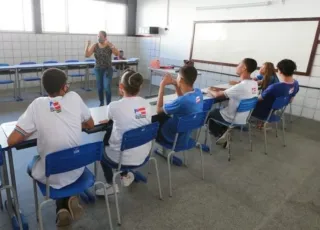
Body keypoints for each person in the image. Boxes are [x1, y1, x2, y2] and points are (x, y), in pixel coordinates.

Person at [7, 68, 94, 227]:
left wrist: (37, 127)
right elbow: (90, 124)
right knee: (63, 161)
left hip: (51, 175)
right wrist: (72, 121)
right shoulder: (74, 98)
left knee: (38, 165)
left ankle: (62, 206)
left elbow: (12, 140)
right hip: (77, 168)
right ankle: (66, 202)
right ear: (64, 87)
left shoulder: (37, 105)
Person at [95, 69, 152, 196]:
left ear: (121, 87)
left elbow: (110, 118)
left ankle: (111, 184)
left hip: (120, 158)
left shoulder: (114, 106)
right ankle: (125, 175)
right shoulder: (146, 104)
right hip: (143, 154)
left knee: (101, 150)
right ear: (140, 87)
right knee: (126, 136)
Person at [206, 58, 259, 147]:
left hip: (232, 118)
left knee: (211, 113)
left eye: (239, 64)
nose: (236, 66)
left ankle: (220, 134)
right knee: (220, 109)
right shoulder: (254, 83)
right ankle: (224, 131)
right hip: (243, 118)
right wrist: (222, 89)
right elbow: (236, 90)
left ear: (244, 68)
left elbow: (218, 95)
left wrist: (209, 90)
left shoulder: (241, 86)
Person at [153, 65, 203, 147]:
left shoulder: (181, 101)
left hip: (172, 136)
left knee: (155, 117)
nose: (177, 79)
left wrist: (162, 85)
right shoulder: (198, 93)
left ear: (182, 80)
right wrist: (176, 85)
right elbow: (183, 99)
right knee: (166, 115)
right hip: (185, 134)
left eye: (178, 77)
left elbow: (158, 109)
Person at [85, 30, 120, 106]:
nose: (99, 38)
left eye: (100, 36)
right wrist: (87, 45)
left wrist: (111, 45)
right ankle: (101, 102)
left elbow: (117, 54)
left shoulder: (109, 45)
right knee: (100, 88)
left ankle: (109, 104)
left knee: (107, 87)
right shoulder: (95, 45)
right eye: (98, 36)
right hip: (98, 69)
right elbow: (87, 55)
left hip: (107, 69)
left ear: (105, 37)